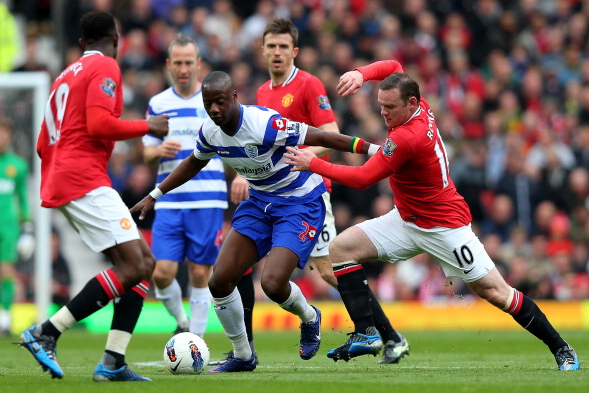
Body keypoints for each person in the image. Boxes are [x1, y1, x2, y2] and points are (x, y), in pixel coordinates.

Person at [283, 60, 581, 371]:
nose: (383, 113)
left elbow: (361, 179)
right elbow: (395, 66)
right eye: (380, 105)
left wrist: (312, 162)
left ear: (410, 102)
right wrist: (362, 73)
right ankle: (367, 333)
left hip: (444, 226)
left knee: (496, 292)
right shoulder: (418, 104)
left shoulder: (406, 138)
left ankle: (563, 349)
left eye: (389, 107)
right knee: (341, 249)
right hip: (406, 219)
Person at [130, 71, 380, 373]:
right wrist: (155, 195)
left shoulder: (265, 124)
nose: (214, 110)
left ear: (234, 97)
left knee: (273, 284)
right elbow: (193, 162)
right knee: (219, 280)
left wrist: (373, 150)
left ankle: (310, 318)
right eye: (208, 104)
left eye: (220, 102)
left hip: (299, 202)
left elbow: (323, 136)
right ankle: (243, 355)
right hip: (259, 202)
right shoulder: (210, 131)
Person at [18, 11, 169, 381]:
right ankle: (46, 332)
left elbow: (41, 143)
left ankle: (113, 361)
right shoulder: (105, 67)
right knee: (136, 266)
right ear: (115, 41)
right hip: (83, 177)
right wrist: (146, 125)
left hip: (63, 176)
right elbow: (99, 124)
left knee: (142, 264)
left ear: (81, 42)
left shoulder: (64, 76)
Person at [255, 18, 408, 364]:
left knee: (331, 270)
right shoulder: (263, 93)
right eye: (271, 46)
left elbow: (330, 133)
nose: (277, 52)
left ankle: (388, 337)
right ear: (262, 50)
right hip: (276, 194)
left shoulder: (309, 85)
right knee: (325, 270)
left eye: (283, 47)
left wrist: (303, 158)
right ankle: (388, 337)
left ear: (294, 51)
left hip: (310, 191)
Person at [143, 34, 228, 338]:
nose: (183, 68)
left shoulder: (213, 102)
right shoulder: (158, 103)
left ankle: (196, 340)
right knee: (161, 272)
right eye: (177, 63)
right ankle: (182, 322)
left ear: (198, 64)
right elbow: (146, 150)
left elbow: (235, 140)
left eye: (188, 63)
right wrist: (157, 150)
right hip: (168, 198)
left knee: (199, 272)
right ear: (168, 64)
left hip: (207, 198)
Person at [0, 119, 34, 336]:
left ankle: (5, 317)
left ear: (9, 137)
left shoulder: (17, 165)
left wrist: (27, 227)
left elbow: (22, 199)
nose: (1, 139)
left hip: (7, 227)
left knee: (5, 269)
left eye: (4, 134)